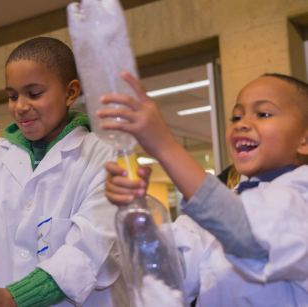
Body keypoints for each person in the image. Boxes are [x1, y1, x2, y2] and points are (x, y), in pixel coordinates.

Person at [99, 72, 308, 306]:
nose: (243, 124)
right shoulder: (227, 203)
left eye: (263, 114)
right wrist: (135, 210)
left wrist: (164, 146)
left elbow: (245, 234)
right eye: (236, 117)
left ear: (305, 140)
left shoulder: (301, 195)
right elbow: (166, 272)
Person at [0, 37, 128, 307]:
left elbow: (89, 252)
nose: (20, 106)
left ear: (70, 92)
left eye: (34, 93)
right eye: (12, 96)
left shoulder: (104, 156)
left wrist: (12, 297)